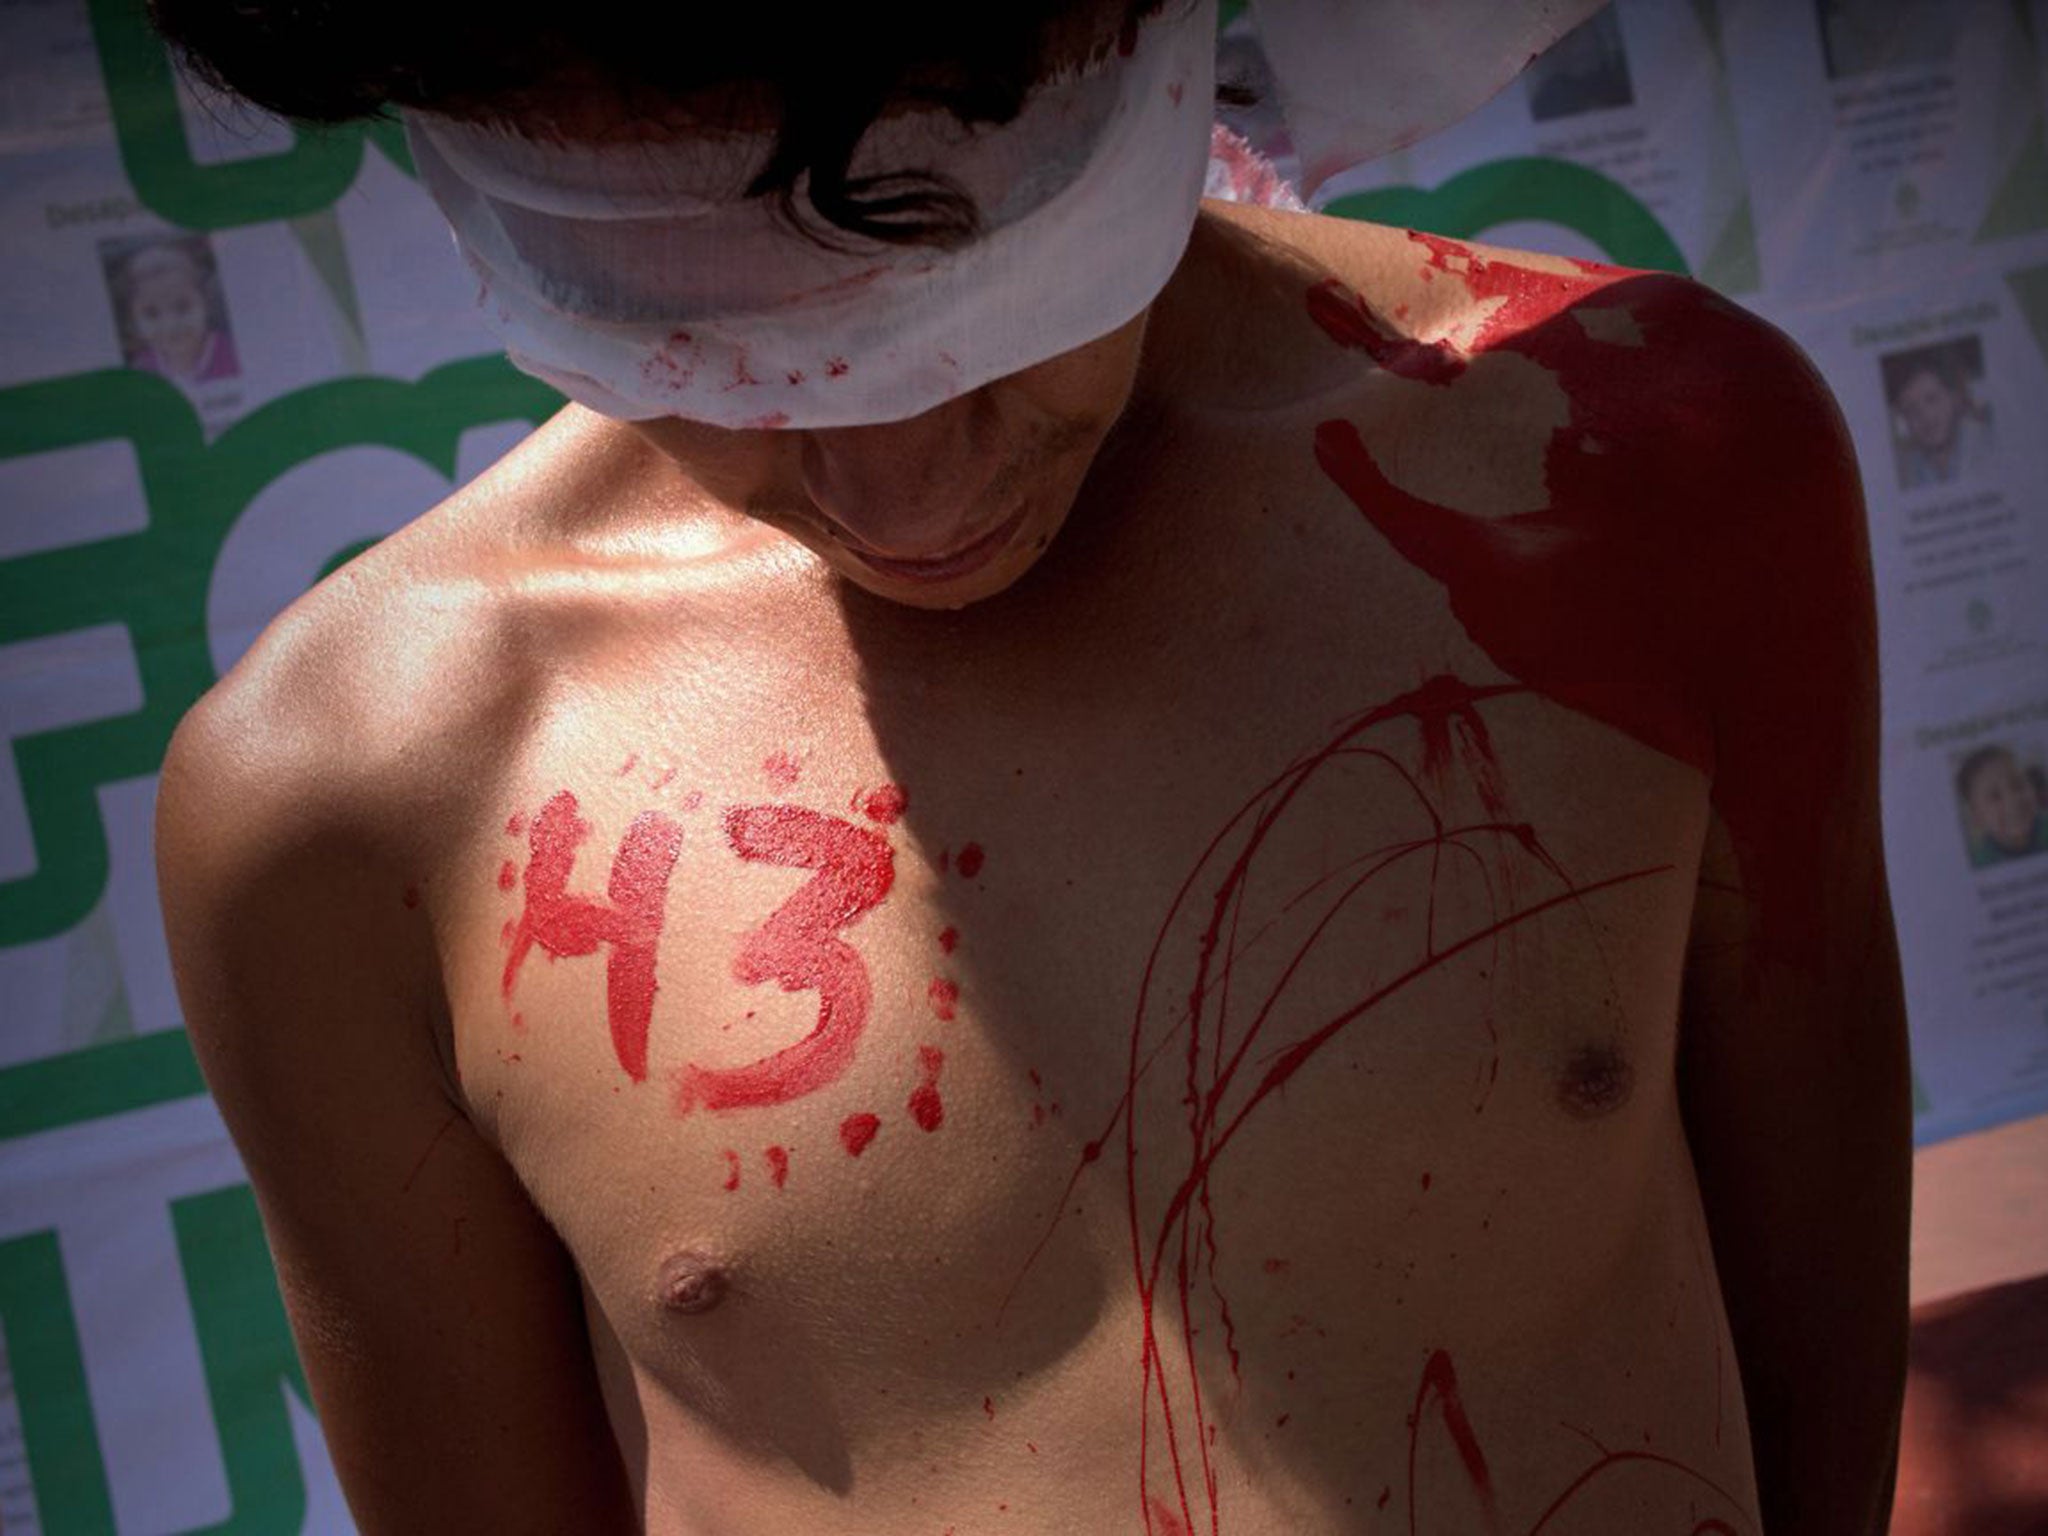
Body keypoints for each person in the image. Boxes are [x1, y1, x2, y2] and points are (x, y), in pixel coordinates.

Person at [147, 2, 1910, 1533]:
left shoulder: (1634, 473)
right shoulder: (355, 792)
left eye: (974, 323)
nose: (898, 496)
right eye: (725, 371)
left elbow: (1811, 1372)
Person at [109, 237, 239, 383]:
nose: (171, 325)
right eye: (152, 314)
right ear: (133, 322)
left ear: (205, 304)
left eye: (183, 307)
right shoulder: (141, 369)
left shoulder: (233, 353)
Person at [1884, 345, 1994, 490]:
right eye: (1911, 409)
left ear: (1954, 397)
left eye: (1932, 399)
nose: (1925, 416)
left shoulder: (1991, 444)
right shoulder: (1903, 471)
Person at [1956, 744, 2048, 868]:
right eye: (1995, 796)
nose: (2013, 800)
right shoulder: (1980, 862)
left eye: (2018, 784)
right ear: (1978, 817)